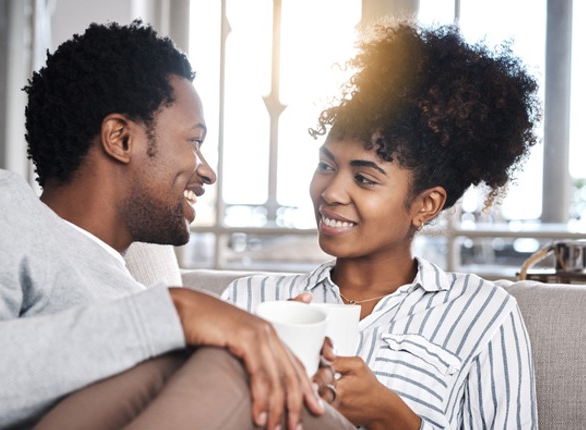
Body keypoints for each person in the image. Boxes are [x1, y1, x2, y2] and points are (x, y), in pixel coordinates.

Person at [0, 20, 355, 430]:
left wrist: (278, 365)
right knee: (233, 363)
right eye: (194, 142)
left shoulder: (125, 286)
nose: (207, 170)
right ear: (120, 139)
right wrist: (179, 315)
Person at [222, 20, 540, 430]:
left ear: (426, 204)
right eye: (325, 165)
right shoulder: (252, 299)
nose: (331, 192)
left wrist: (397, 420)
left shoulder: (482, 313)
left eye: (365, 178)